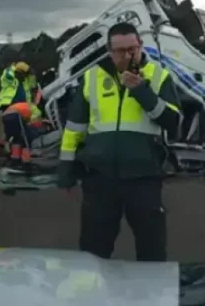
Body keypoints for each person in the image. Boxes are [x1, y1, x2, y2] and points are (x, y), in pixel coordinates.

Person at [57, 22, 182, 261]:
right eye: (120, 51)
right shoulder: (91, 78)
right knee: (93, 252)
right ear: (109, 51)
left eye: (132, 49)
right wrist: (66, 172)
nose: (127, 55)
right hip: (99, 179)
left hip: (144, 178)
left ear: (140, 46)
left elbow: (174, 122)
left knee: (152, 251)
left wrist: (142, 92)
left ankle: (150, 298)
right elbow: (74, 130)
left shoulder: (159, 76)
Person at [1, 101, 43, 171]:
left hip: (5, 116)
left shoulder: (26, 106)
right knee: (26, 139)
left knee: (16, 138)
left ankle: (15, 160)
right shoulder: (37, 111)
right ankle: (26, 163)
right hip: (15, 115)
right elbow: (34, 124)